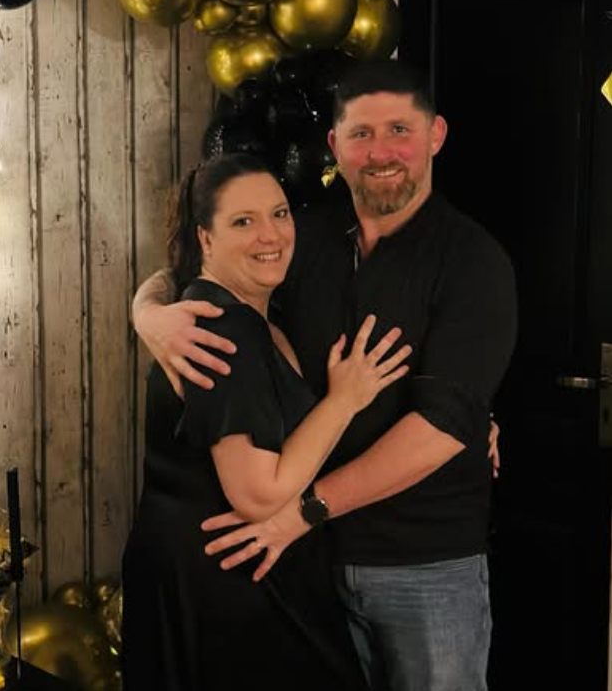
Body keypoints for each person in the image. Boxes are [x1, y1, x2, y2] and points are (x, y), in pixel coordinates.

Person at [132, 60, 518, 691]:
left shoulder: (474, 262)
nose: (381, 152)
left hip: (423, 568)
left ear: (436, 135)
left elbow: (441, 429)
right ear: (335, 145)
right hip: (312, 565)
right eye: (362, 134)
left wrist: (302, 512)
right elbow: (195, 273)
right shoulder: (300, 238)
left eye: (399, 130)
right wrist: (148, 314)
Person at [121, 153, 413, 691]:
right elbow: (257, 494)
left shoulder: (237, 305)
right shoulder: (223, 329)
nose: (270, 234)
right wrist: (346, 399)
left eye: (279, 213)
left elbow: (165, 277)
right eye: (243, 221)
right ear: (205, 238)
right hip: (227, 587)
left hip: (217, 579)